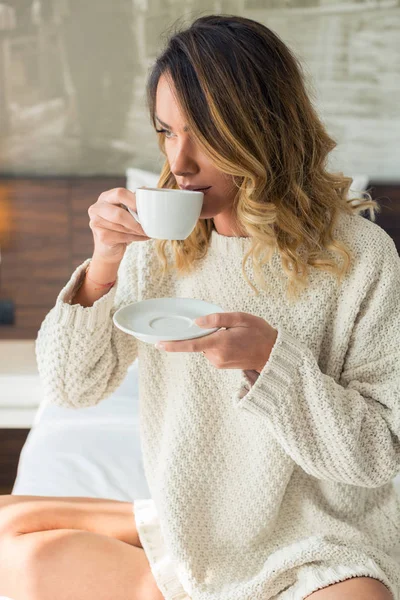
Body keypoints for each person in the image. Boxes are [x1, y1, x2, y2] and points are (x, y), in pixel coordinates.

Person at [0, 14, 399, 600]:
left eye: (204, 135)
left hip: (320, 548)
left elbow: (375, 458)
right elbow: (71, 388)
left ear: (261, 130)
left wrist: (272, 362)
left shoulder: (360, 256)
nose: (179, 162)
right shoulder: (156, 248)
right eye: (166, 132)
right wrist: (103, 265)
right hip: (194, 538)